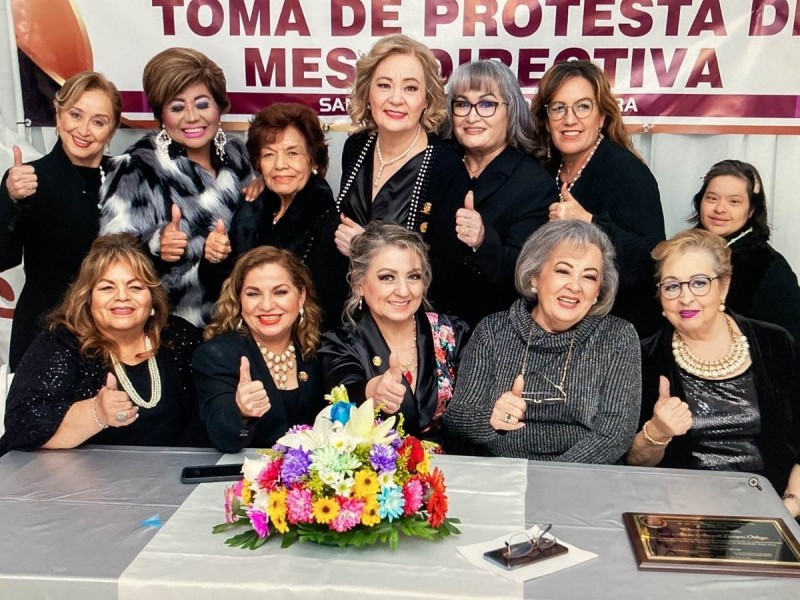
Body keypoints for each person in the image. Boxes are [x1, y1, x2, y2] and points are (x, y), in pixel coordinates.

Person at [627, 230, 800, 518]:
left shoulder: (775, 342)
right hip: (679, 518)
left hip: (775, 511)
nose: (685, 298)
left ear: (724, 286)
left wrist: (787, 507)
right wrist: (657, 431)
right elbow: (634, 463)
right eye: (671, 286)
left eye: (699, 283)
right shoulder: (644, 357)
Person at [444, 220, 641, 462]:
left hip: (584, 480)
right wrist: (490, 418)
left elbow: (614, 434)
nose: (575, 286)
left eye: (589, 277)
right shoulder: (493, 330)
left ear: (598, 292)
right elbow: (457, 418)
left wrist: (553, 477)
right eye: (563, 271)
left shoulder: (617, 336)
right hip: (503, 475)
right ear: (534, 278)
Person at [0, 234, 205, 454]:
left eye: (135, 287)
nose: (122, 297)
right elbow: (21, 427)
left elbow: (207, 419)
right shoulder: (61, 343)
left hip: (168, 480)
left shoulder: (180, 337)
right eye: (107, 288)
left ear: (152, 297)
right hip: (74, 484)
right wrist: (95, 412)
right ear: (88, 299)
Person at [100, 47, 251, 328]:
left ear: (220, 107)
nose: (192, 117)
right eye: (177, 107)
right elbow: (110, 259)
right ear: (161, 115)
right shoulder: (138, 167)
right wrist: (155, 245)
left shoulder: (241, 159)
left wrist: (268, 181)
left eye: (203, 104)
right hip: (174, 331)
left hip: (247, 325)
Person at [334, 34, 470, 312]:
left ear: (427, 100)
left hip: (412, 319)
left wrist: (364, 247)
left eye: (410, 88)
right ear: (368, 93)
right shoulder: (356, 147)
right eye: (384, 85)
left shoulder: (446, 166)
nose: (395, 98)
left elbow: (450, 269)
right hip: (350, 314)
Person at [531, 60, 665, 338]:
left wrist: (588, 222)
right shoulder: (547, 170)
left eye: (583, 106)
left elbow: (652, 259)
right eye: (558, 108)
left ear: (602, 116)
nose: (570, 119)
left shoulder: (625, 171)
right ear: (546, 119)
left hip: (615, 337)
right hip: (561, 329)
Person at [0, 71, 121, 371]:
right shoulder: (27, 179)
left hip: (114, 333)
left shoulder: (128, 180)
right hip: (44, 332)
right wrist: (10, 198)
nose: (84, 130)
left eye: (98, 121)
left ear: (113, 129)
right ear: (58, 115)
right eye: (76, 115)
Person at [320, 222, 469, 447]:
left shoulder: (452, 333)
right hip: (375, 475)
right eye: (387, 277)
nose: (403, 290)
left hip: (454, 471)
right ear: (360, 283)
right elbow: (344, 388)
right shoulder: (340, 343)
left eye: (413, 277)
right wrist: (372, 391)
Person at [440, 60, 557, 326]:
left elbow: (528, 277)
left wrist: (483, 241)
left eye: (486, 104)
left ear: (511, 110)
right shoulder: (439, 162)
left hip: (495, 333)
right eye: (461, 104)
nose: (472, 116)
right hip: (429, 327)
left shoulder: (533, 183)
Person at [192, 247, 325, 453]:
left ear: (301, 297)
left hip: (311, 479)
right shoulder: (216, 355)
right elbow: (222, 437)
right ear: (239, 300)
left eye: (280, 292)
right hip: (240, 479)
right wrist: (241, 412)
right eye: (253, 294)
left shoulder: (318, 349)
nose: (266, 305)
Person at [223, 102, 340, 327]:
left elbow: (328, 311)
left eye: (292, 153)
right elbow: (229, 286)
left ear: (313, 159)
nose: (280, 165)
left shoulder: (329, 225)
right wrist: (216, 258)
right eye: (269, 155)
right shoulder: (251, 209)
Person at [691, 159, 800, 342]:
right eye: (712, 198)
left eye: (734, 201)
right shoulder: (689, 250)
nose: (719, 209)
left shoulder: (766, 265)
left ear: (751, 211)